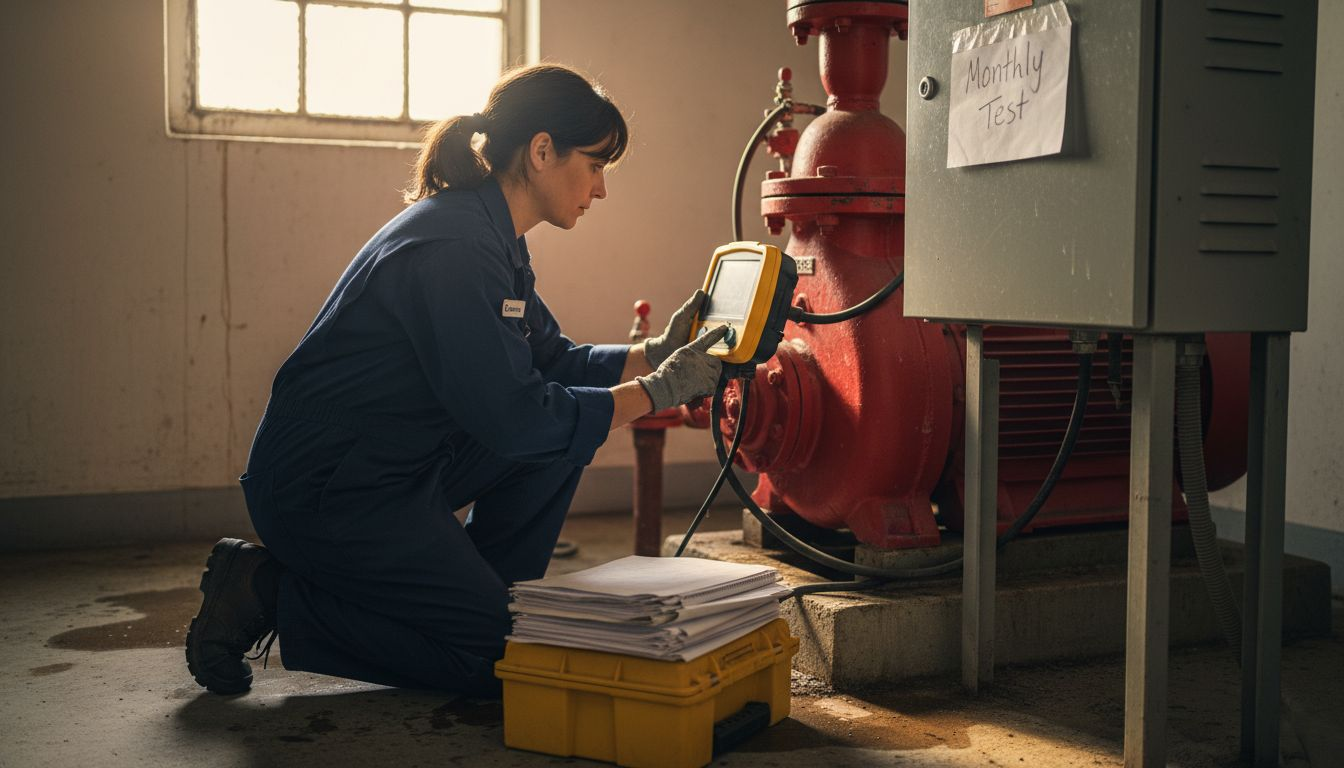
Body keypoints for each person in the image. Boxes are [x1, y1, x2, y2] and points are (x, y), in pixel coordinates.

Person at [184, 64, 728, 697]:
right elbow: (517, 416)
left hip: (389, 463)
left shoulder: (491, 234)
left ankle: (482, 597)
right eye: (596, 165)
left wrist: (657, 352)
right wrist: (658, 390)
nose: (601, 189)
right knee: (506, 665)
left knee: (557, 440)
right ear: (543, 150)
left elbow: (550, 361)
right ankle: (266, 590)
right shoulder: (458, 247)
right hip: (327, 487)